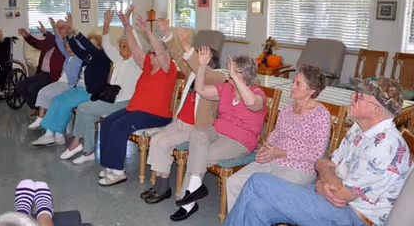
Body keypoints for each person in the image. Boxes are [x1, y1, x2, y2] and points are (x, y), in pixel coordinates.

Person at [225, 77, 413, 226]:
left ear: (376, 110)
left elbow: (340, 195)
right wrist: (323, 175)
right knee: (256, 207)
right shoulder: (359, 128)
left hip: (354, 217)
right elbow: (326, 163)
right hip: (330, 198)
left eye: (359, 97)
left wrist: (323, 175)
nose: (351, 97)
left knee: (258, 182)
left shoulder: (385, 147)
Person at [170, 47, 267, 222]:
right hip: (217, 130)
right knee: (197, 136)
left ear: (244, 75)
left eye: (234, 72)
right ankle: (195, 190)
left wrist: (236, 78)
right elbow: (201, 89)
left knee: (200, 154)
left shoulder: (258, 94)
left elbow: (251, 103)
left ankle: (188, 201)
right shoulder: (226, 89)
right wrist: (201, 66)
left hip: (240, 141)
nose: (229, 75)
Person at [226, 64, 331, 212]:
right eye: (293, 82)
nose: (292, 86)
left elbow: (316, 153)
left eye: (298, 84)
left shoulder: (321, 115)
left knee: (261, 194)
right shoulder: (288, 108)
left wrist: (281, 152)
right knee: (234, 182)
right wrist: (266, 147)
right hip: (273, 159)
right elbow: (277, 133)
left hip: (299, 168)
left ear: (311, 90)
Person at [140, 19, 223, 204]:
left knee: (163, 142)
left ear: (211, 62)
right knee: (156, 140)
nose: (198, 61)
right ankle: (160, 184)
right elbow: (178, 56)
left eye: (203, 57)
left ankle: (163, 189)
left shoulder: (218, 77)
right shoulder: (194, 73)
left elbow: (203, 70)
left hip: (195, 129)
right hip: (180, 123)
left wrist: (187, 44)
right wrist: (167, 33)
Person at [97, 10, 177, 187]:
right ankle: (110, 165)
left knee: (119, 127)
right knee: (106, 123)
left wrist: (148, 32)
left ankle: (118, 172)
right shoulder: (148, 66)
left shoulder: (168, 69)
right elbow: (134, 49)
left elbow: (161, 52)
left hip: (156, 114)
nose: (151, 56)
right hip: (136, 109)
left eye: (154, 54)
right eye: (150, 54)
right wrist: (127, 26)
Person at [60, 8, 142, 164]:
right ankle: (88, 151)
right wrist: (106, 24)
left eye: (125, 46)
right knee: (85, 110)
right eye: (121, 46)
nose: (121, 49)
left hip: (125, 103)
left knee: (84, 109)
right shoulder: (119, 59)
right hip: (111, 100)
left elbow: (135, 42)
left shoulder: (136, 63)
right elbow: (106, 44)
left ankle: (76, 144)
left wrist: (127, 24)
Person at [31, 14, 111, 146]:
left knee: (66, 103)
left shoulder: (103, 57)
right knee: (57, 100)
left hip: (91, 92)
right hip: (79, 88)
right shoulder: (87, 56)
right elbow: (75, 48)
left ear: (99, 47)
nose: (89, 48)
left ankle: (55, 132)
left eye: (93, 45)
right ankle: (49, 134)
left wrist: (75, 32)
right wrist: (69, 35)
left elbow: (87, 46)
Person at [28, 18, 83, 130]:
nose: (69, 49)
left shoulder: (79, 58)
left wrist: (70, 29)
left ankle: (46, 119)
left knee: (49, 95)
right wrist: (56, 30)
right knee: (42, 92)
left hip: (69, 85)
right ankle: (40, 118)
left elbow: (79, 45)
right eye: (67, 48)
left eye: (71, 47)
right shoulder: (68, 56)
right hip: (60, 82)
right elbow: (59, 43)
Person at [17, 21, 65, 118]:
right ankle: (35, 107)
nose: (58, 30)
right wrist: (27, 36)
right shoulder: (50, 41)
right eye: (56, 27)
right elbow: (38, 44)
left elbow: (56, 40)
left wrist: (46, 33)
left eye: (61, 28)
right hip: (42, 73)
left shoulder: (66, 43)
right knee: (20, 85)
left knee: (33, 88)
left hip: (53, 76)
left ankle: (39, 109)